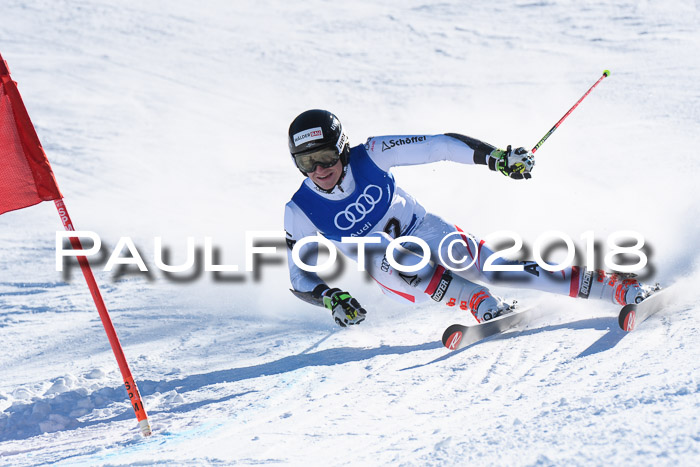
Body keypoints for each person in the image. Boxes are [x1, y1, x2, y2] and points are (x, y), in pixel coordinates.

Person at [284, 109, 653, 327]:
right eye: (306, 162)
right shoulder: (300, 209)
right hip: (388, 269)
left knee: (495, 267)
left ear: (344, 149)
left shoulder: (374, 153)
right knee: (391, 255)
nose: (319, 170)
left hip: (423, 228)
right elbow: (299, 276)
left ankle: (612, 286)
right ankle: (476, 301)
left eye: (327, 157)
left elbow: (441, 144)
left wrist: (495, 157)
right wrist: (330, 296)